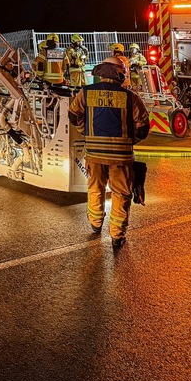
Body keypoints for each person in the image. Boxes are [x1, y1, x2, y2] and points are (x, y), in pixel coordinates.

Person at [69, 56, 150, 248]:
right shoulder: (130, 97)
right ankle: (117, 236)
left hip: (94, 154)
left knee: (95, 189)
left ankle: (96, 224)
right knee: (121, 194)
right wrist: (131, 141)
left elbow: (73, 115)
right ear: (120, 74)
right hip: (121, 157)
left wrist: (85, 132)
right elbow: (143, 127)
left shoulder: (86, 93)